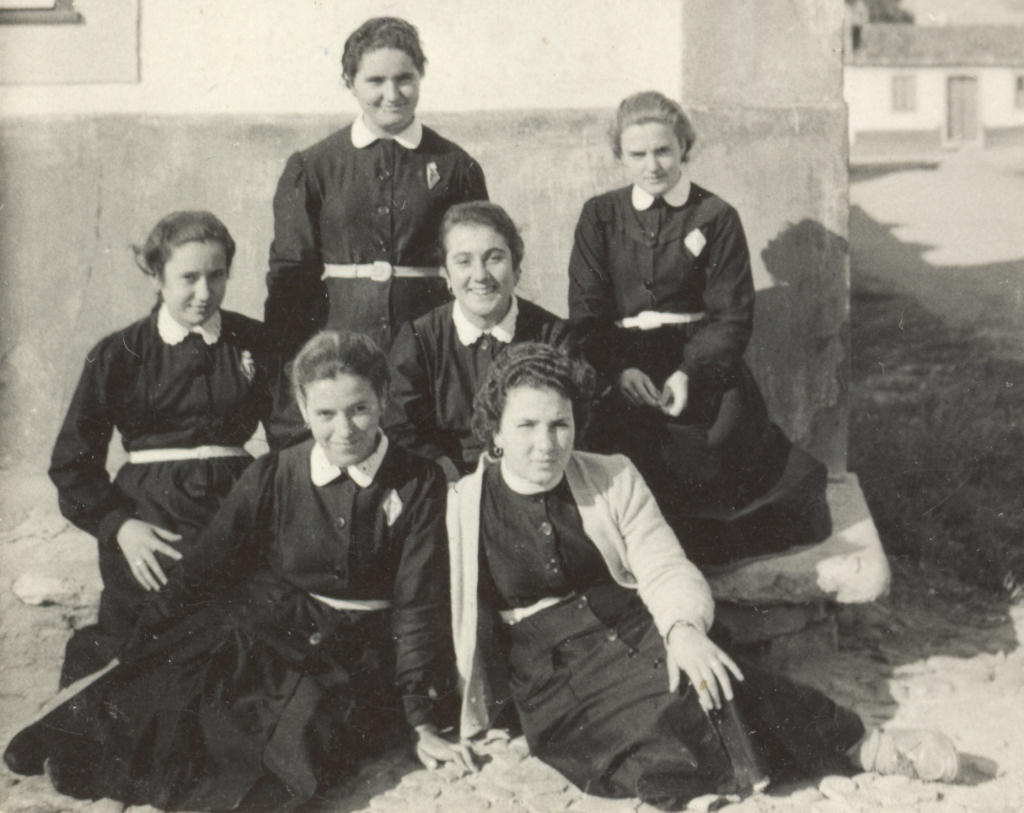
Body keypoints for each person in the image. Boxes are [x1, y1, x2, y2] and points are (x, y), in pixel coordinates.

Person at [447, 343, 960, 810]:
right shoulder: (465, 506)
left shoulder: (611, 475)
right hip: (551, 668)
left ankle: (861, 746)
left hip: (630, 624)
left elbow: (662, 561)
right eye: (526, 426)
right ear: (496, 431)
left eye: (560, 424)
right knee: (646, 713)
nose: (546, 443)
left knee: (713, 674)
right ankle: (704, 788)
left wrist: (682, 629)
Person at [6, 331, 473, 812]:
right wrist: (144, 645)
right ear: (302, 408)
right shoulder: (276, 472)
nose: (345, 430)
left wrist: (420, 719)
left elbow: (419, 604)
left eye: (359, 409)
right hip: (275, 624)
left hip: (357, 649)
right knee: (189, 689)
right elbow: (203, 568)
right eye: (325, 414)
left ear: (383, 400)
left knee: (294, 734)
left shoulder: (418, 480)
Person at [568, 91, 830, 565]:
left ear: (684, 147)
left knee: (715, 450)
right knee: (618, 453)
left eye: (663, 151)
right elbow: (586, 311)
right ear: (619, 155)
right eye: (637, 154)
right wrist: (618, 370)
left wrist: (689, 374)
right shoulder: (600, 216)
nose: (652, 165)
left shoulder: (716, 216)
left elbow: (731, 315)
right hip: (623, 364)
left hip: (698, 364)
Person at [49, 210, 271, 688]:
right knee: (151, 643)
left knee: (241, 639)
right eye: (189, 277)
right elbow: (72, 465)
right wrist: (120, 527)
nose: (205, 292)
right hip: (150, 518)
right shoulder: (120, 352)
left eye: (217, 275)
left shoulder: (255, 342)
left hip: (235, 510)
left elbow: (294, 440)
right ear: (156, 275)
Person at [265, 16, 488, 448]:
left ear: (421, 75)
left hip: (429, 342)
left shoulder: (456, 166)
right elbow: (290, 278)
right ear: (350, 81)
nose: (392, 94)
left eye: (404, 78)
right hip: (339, 340)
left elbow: (478, 258)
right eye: (375, 81)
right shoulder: (314, 166)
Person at [384, 201, 572, 480]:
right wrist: (445, 472)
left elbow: (570, 422)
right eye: (464, 261)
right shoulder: (419, 339)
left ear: (516, 269)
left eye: (494, 258)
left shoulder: (553, 336)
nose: (481, 275)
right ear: (446, 275)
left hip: (534, 476)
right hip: (446, 482)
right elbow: (399, 427)